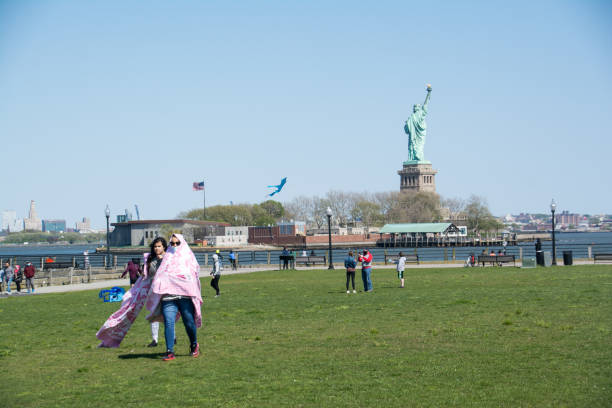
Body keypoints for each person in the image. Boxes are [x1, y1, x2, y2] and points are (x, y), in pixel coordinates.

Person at [146, 234, 203, 361]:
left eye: (177, 243)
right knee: (169, 322)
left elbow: (194, 274)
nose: (175, 245)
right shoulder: (166, 259)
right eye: (172, 243)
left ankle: (194, 344)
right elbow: (158, 275)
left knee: (189, 322)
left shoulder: (188, 258)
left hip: (185, 296)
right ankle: (170, 351)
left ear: (182, 243)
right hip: (168, 296)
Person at [144, 237, 167, 347]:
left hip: (167, 290)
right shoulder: (150, 259)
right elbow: (148, 275)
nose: (157, 248)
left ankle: (173, 336)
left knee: (168, 315)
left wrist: (163, 259)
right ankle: (155, 339)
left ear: (164, 247)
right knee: (154, 315)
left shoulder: (169, 258)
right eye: (155, 246)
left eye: (159, 246)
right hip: (154, 291)